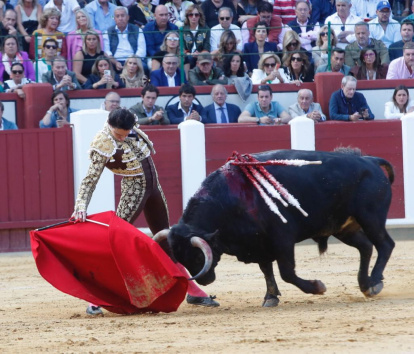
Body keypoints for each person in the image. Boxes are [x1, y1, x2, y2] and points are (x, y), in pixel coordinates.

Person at [72, 107, 218, 315]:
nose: (122, 138)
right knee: (113, 243)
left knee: (167, 241)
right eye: (118, 134)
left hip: (153, 189)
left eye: (125, 133)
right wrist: (80, 206)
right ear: (110, 126)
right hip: (133, 191)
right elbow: (90, 178)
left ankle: (193, 290)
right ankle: (97, 298)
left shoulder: (131, 127)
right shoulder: (102, 141)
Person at [103, 6, 147, 72]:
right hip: (115, 61)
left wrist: (131, 63)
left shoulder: (137, 30)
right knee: (105, 69)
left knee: (144, 67)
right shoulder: (108, 31)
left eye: (122, 16)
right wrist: (115, 62)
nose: (120, 18)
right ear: (114, 19)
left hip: (134, 60)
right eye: (117, 16)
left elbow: (141, 51)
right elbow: (107, 52)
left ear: (128, 17)